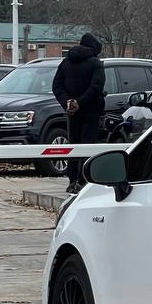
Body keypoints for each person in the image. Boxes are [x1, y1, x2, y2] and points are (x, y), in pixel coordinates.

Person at [52, 32, 105, 194]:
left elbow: (56, 86)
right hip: (91, 110)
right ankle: (83, 181)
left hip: (71, 112)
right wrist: (79, 103)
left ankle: (72, 180)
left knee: (73, 145)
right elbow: (96, 87)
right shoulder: (96, 64)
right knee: (87, 145)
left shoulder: (65, 63)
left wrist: (67, 102)